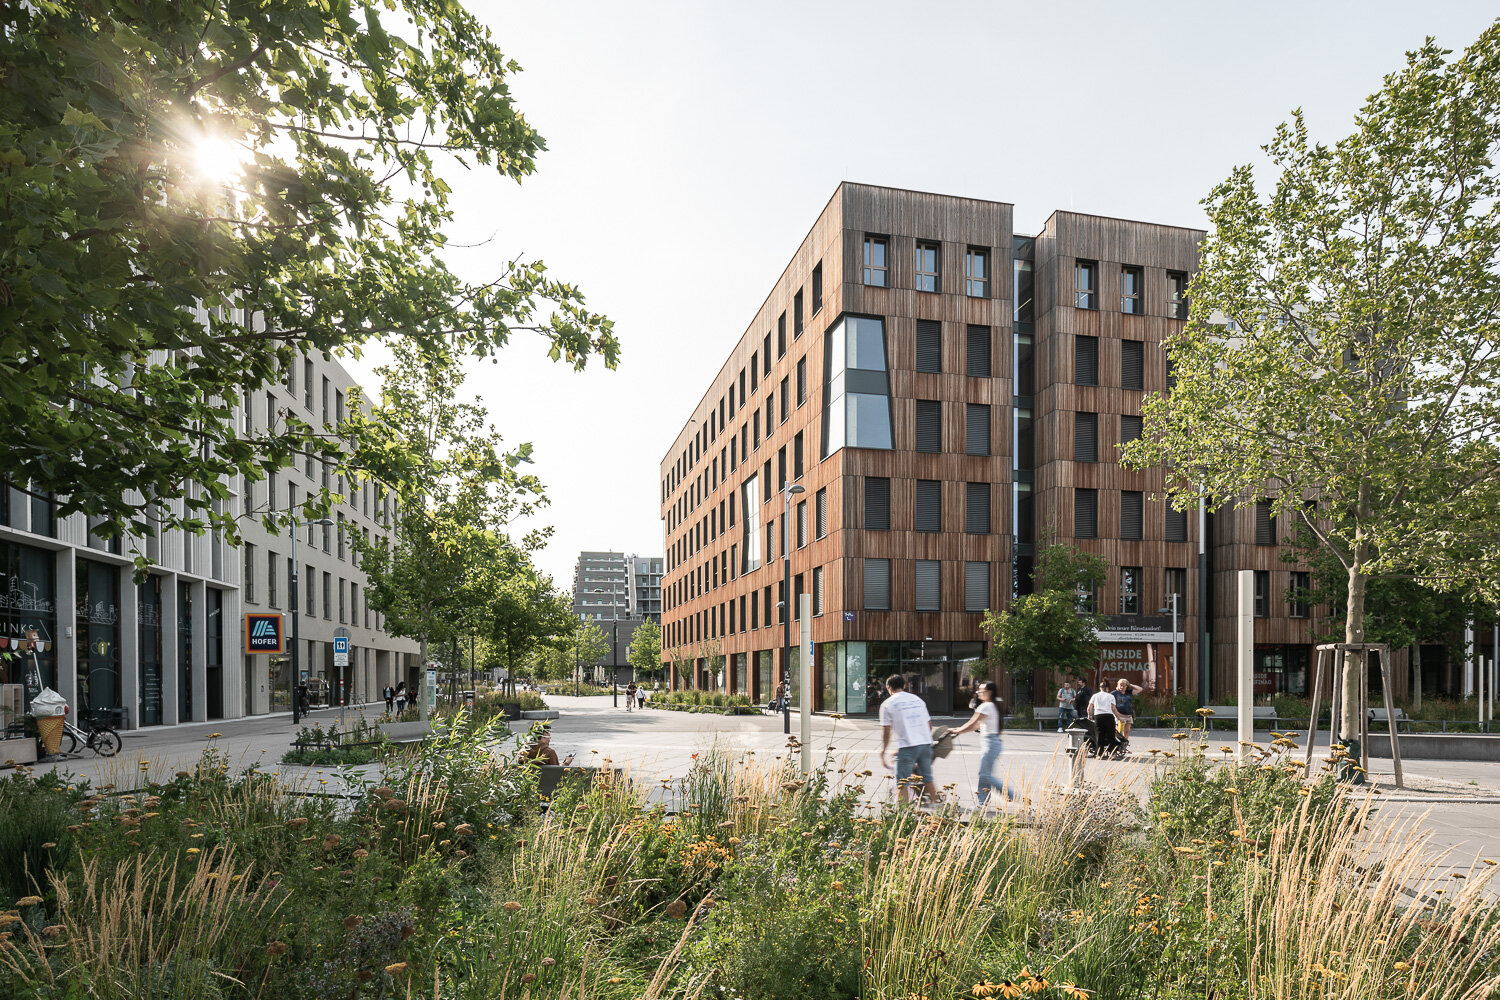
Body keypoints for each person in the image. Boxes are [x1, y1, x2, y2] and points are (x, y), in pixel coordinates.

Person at [950, 680, 1014, 807]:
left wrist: (957, 730)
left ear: (989, 692)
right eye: (978, 690)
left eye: (982, 690)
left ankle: (1009, 794)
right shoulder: (991, 706)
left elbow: (972, 722)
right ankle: (982, 802)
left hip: (990, 743)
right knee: (984, 774)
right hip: (992, 743)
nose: (979, 692)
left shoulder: (985, 706)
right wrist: (959, 731)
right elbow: (976, 726)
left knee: (984, 775)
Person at [878, 674, 938, 805]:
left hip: (907, 746)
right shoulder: (917, 700)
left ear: (889, 688)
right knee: (928, 778)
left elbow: (886, 732)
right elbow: (929, 725)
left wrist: (883, 750)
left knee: (902, 782)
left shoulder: (887, 704)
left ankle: (901, 816)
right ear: (904, 686)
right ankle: (939, 810)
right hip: (925, 744)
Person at [1087, 682, 1124, 756]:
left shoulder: (1095, 696)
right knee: (1111, 735)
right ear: (1107, 688)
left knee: (1099, 735)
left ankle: (1099, 754)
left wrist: (1089, 715)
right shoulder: (1111, 696)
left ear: (1100, 688)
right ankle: (1112, 753)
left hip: (1098, 716)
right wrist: (1119, 718)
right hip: (1109, 716)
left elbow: (1089, 708)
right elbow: (1114, 709)